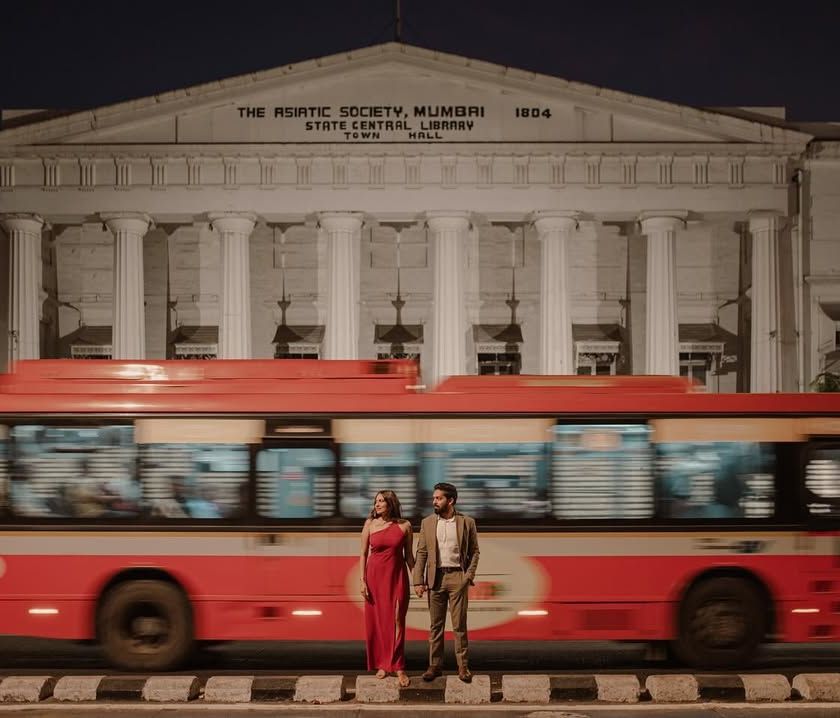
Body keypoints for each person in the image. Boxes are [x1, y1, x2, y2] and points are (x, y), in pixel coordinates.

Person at [412, 482, 480, 683]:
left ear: (450, 500)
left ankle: (463, 667)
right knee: (436, 626)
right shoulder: (427, 523)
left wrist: (468, 576)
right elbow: (421, 552)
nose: (434, 501)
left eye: (438, 498)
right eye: (434, 498)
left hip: (458, 577)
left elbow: (475, 551)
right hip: (435, 578)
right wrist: (418, 581)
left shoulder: (467, 522)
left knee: (459, 626)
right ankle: (434, 666)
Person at [359, 490, 414, 687]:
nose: (377, 504)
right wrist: (362, 581)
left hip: (397, 577)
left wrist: (418, 580)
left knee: (398, 619)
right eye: (376, 501)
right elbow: (363, 554)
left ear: (391, 504)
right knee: (379, 621)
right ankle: (383, 664)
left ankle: (398, 666)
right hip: (374, 577)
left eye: (381, 501)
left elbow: (409, 556)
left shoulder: (405, 526)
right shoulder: (370, 524)